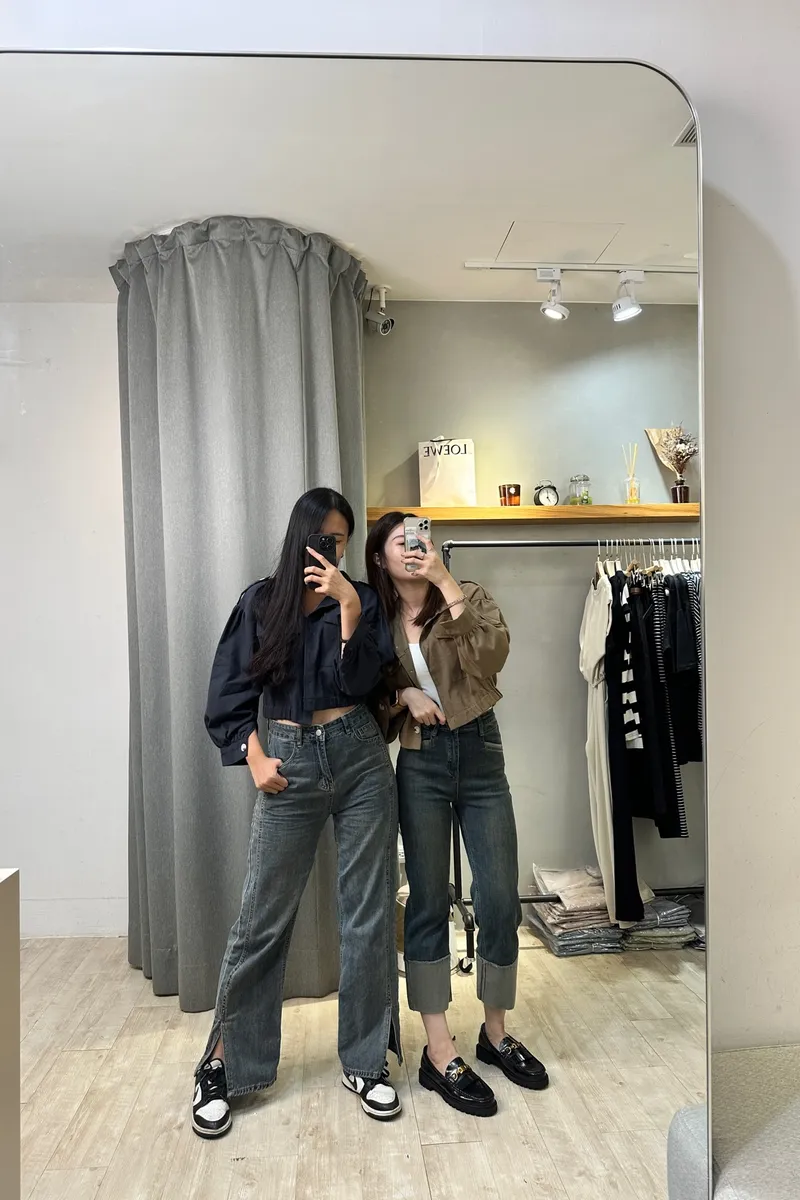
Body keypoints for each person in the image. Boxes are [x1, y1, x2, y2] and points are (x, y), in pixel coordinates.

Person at [192, 488, 402, 1139]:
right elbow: (226, 696)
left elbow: (362, 684)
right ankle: (225, 1063)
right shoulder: (261, 602)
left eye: (342, 541)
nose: (332, 550)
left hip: (360, 756)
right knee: (262, 918)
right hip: (289, 760)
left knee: (368, 915)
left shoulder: (361, 600)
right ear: (300, 538)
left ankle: (366, 1061)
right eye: (323, 538)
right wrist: (253, 755)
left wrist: (348, 606)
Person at [366, 512, 548, 1117]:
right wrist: (403, 694)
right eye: (400, 541)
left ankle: (495, 1034)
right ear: (381, 557)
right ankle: (438, 1049)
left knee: (497, 894)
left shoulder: (467, 595)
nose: (412, 548)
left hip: (480, 749)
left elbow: (492, 656)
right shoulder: (376, 616)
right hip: (420, 759)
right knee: (426, 900)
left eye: (420, 538)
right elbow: (364, 685)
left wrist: (446, 583)